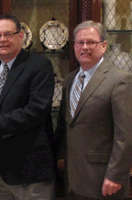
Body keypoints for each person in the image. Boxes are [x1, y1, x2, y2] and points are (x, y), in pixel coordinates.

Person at [0, 15, 56, 200]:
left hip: (31, 172)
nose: (2, 40)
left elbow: (36, 111)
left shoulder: (39, 66)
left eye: (8, 34)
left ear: (21, 36)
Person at [55, 20, 132, 199]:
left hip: (104, 180)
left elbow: (126, 135)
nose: (85, 47)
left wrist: (116, 175)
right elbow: (66, 126)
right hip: (73, 179)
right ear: (74, 46)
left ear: (103, 45)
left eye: (91, 42)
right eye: (80, 42)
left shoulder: (120, 80)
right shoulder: (69, 80)